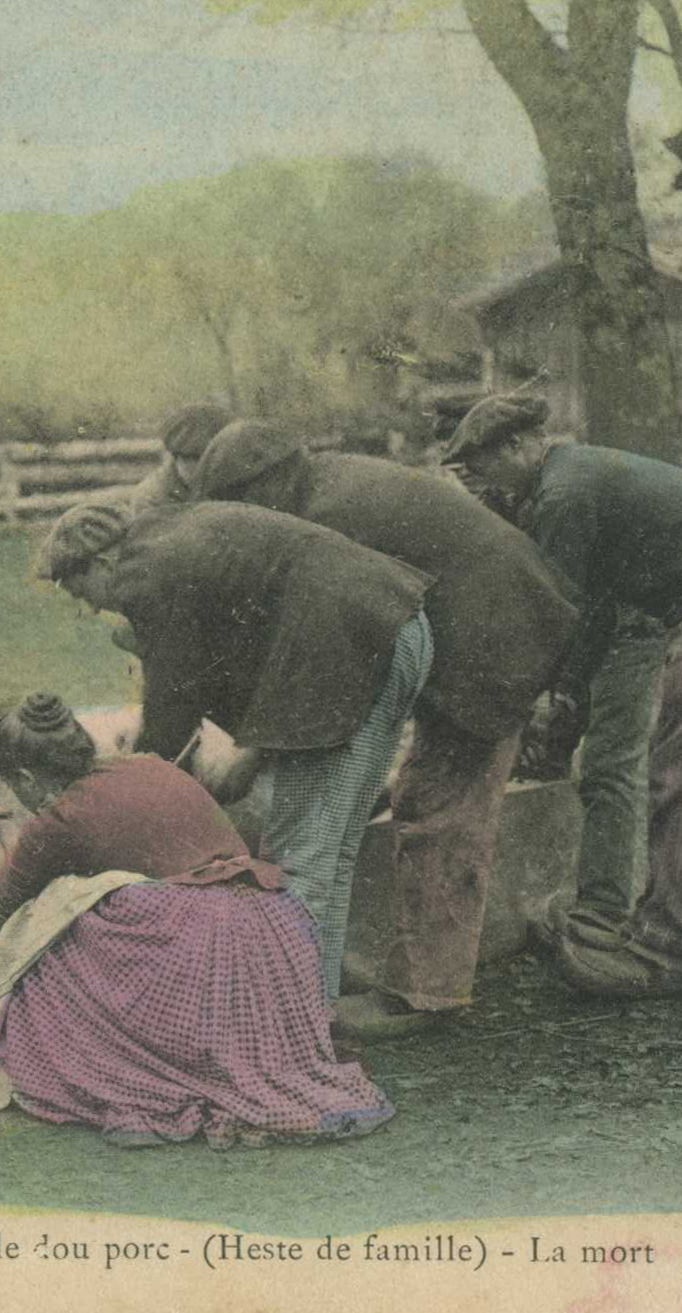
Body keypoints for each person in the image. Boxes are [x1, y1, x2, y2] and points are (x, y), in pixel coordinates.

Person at [194, 419, 580, 1037]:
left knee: (441, 813)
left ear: (263, 484)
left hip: (490, 638)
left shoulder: (327, 515)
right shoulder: (326, 486)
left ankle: (423, 996)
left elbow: (328, 656)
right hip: (477, 626)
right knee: (429, 799)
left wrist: (251, 753)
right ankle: (423, 981)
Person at [443, 394, 682, 999]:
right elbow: (595, 610)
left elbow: (560, 615)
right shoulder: (571, 477)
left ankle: (671, 950)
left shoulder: (563, 496)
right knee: (673, 766)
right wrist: (567, 698)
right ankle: (656, 925)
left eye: (482, 467)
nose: (483, 485)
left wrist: (543, 700)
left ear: (515, 447)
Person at [0, 693, 394, 1148]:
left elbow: (1, 922)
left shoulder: (57, 822)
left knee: (58, 924)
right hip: (276, 931)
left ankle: (127, 1067)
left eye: (8, 781)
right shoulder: (149, 766)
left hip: (201, 956)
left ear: (24, 777)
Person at [35, 500, 432, 1002]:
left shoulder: (144, 575)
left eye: (79, 589)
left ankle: (285, 1018)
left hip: (344, 652)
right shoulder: (166, 536)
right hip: (401, 627)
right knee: (333, 845)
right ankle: (316, 1007)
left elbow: (173, 705)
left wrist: (132, 789)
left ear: (101, 563)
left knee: (296, 855)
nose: (89, 608)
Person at [123, 400, 232, 513]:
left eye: (215, 459)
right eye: (195, 459)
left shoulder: (230, 483)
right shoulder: (153, 497)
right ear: (177, 457)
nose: (206, 469)